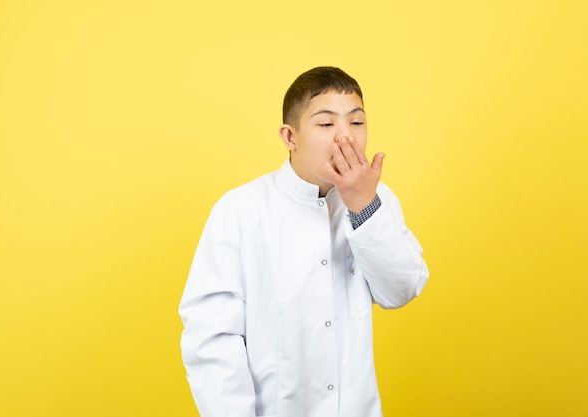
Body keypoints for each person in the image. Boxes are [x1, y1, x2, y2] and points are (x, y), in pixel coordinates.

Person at [179, 66, 429, 417]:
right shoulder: (241, 209)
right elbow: (212, 339)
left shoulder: (377, 199)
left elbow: (401, 289)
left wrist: (363, 208)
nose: (346, 138)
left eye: (356, 123)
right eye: (326, 125)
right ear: (290, 136)